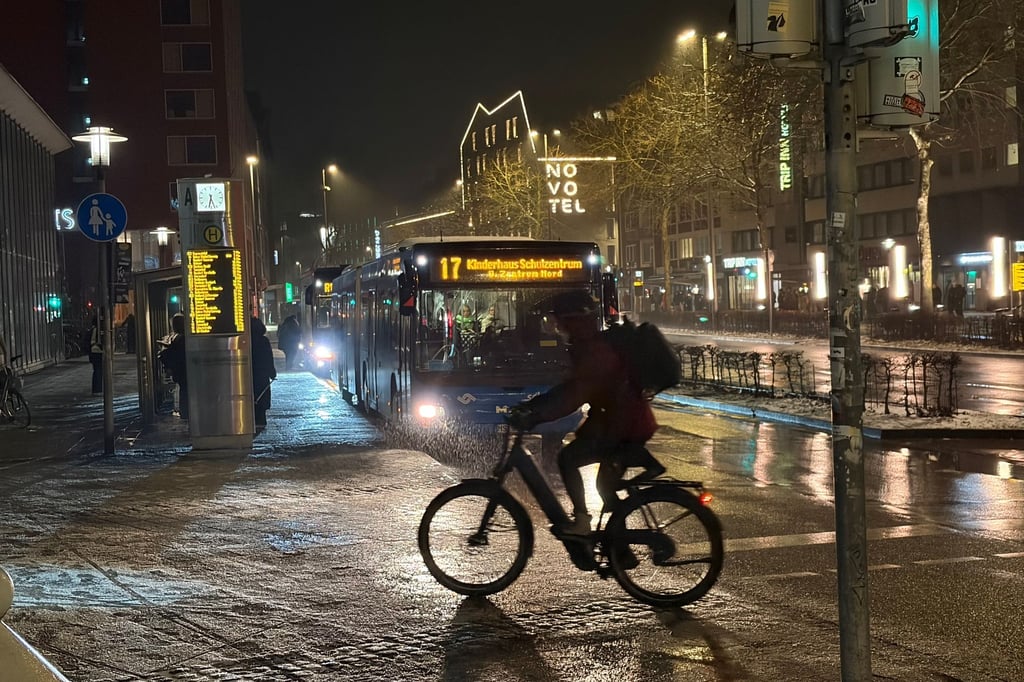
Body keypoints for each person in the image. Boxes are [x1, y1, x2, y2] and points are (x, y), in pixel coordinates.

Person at [510, 290, 664, 535]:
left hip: (622, 427)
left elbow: (574, 396)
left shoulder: (596, 351)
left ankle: (582, 523)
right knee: (605, 487)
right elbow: (570, 387)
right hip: (616, 423)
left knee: (568, 459)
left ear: (576, 321)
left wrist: (536, 416)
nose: (558, 328)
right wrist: (535, 405)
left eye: (561, 322)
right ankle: (619, 552)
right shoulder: (588, 346)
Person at [159, 313, 188, 419]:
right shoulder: (183, 338)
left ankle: (184, 411)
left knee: (183, 390)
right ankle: (185, 412)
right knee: (186, 390)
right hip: (184, 368)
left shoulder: (175, 337)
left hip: (179, 369)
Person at [251, 316, 277, 427]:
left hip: (250, 373)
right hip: (262, 375)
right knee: (261, 397)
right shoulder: (264, 341)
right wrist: (272, 372)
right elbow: (268, 358)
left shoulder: (246, 341)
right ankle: (261, 421)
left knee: (252, 397)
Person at [89, 314, 103, 394]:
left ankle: (96, 389)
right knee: (98, 370)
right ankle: (98, 389)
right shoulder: (97, 330)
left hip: (93, 352)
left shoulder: (93, 329)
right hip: (97, 352)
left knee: (96, 370)